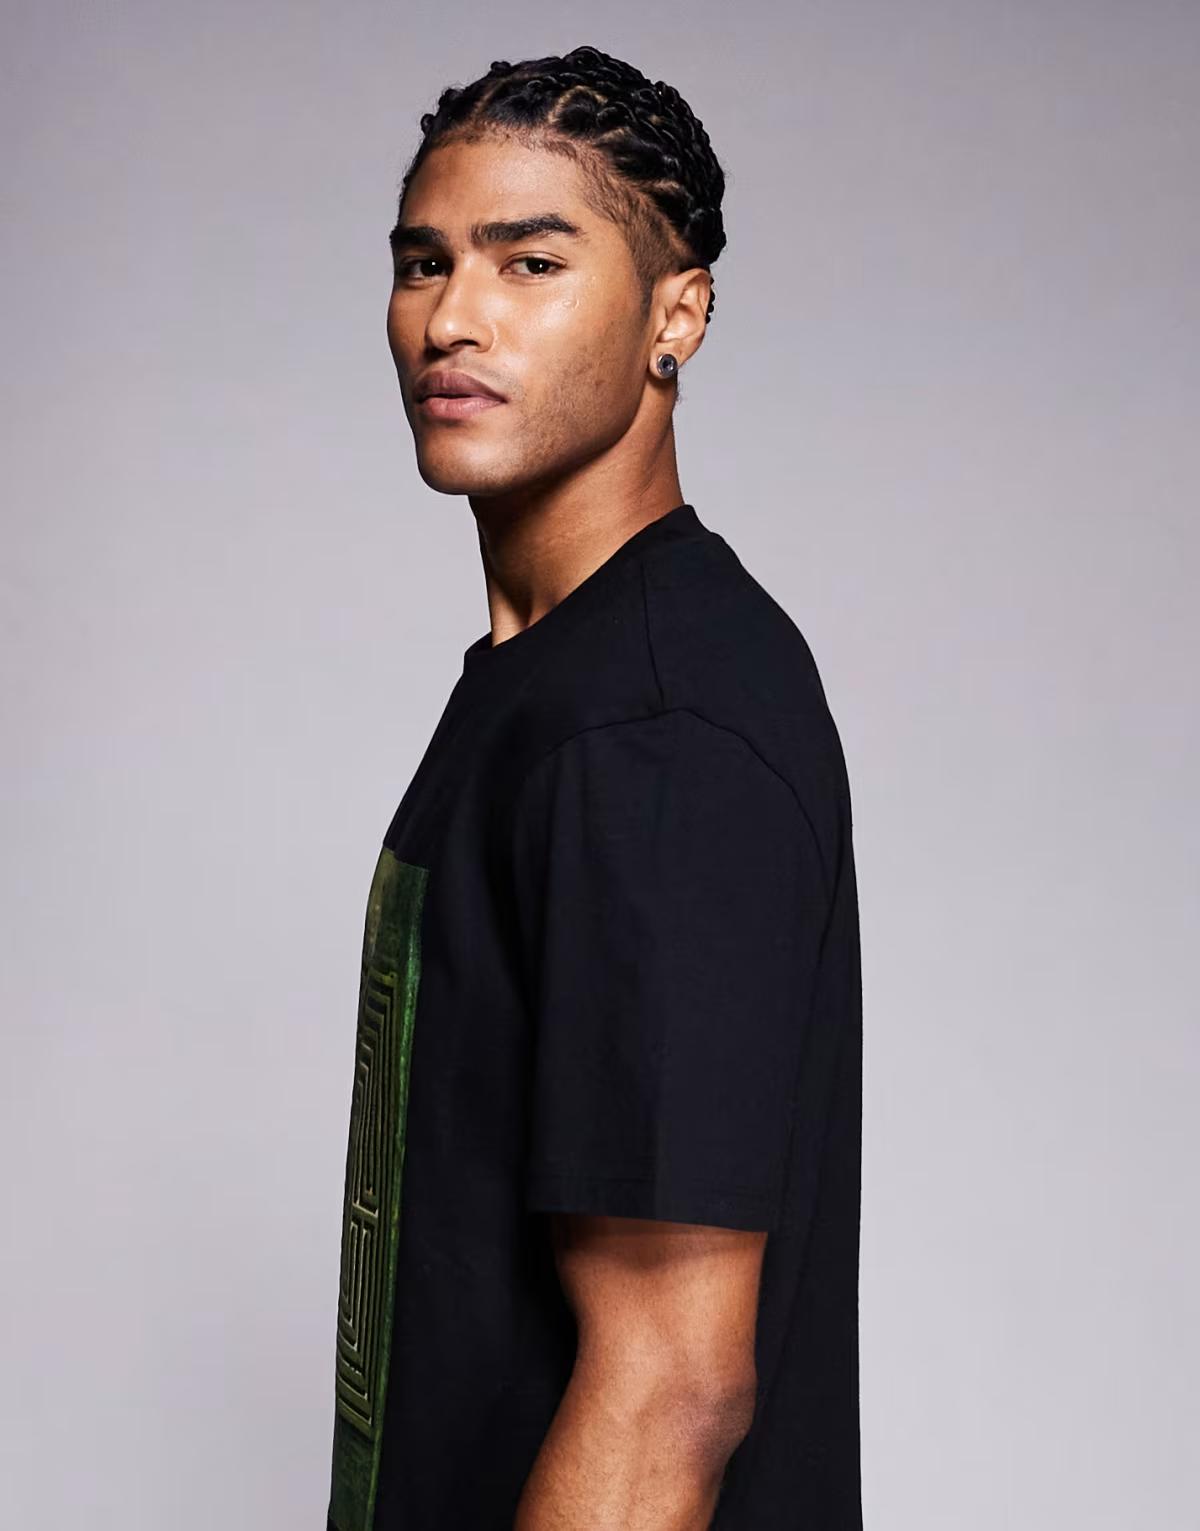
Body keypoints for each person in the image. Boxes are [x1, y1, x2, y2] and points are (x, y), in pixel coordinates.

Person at [326, 44, 863, 1531]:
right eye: (424, 263)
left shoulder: (653, 730)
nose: (454, 317)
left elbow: (671, 1387)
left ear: (673, 315)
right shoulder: (550, 676)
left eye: (532, 262)